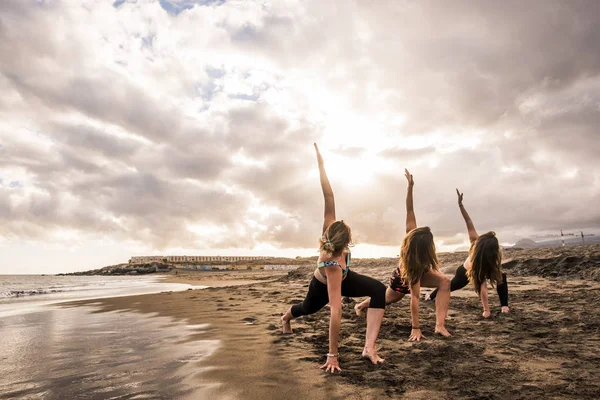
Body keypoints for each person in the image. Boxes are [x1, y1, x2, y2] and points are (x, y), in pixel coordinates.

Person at [281, 143, 387, 373]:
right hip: (323, 284)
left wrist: (321, 165)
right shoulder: (332, 265)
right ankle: (285, 318)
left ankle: (369, 347)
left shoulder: (330, 230)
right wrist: (332, 355)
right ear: (347, 242)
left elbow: (328, 195)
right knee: (307, 308)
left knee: (379, 289)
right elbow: (336, 312)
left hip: (345, 276)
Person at [355, 169, 451, 341]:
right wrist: (415, 328)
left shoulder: (411, 234)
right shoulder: (414, 264)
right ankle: (361, 305)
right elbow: (414, 298)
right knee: (391, 298)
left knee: (444, 281)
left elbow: (409, 209)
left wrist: (410, 187)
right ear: (425, 249)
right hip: (403, 277)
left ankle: (440, 325)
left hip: (420, 272)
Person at [426, 189, 509, 317]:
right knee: (450, 286)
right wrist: (486, 310)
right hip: (464, 272)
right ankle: (430, 296)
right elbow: (483, 288)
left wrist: (461, 204)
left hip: (483, 268)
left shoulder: (492, 259)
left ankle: (504, 305)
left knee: (501, 277)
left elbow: (469, 222)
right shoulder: (475, 242)